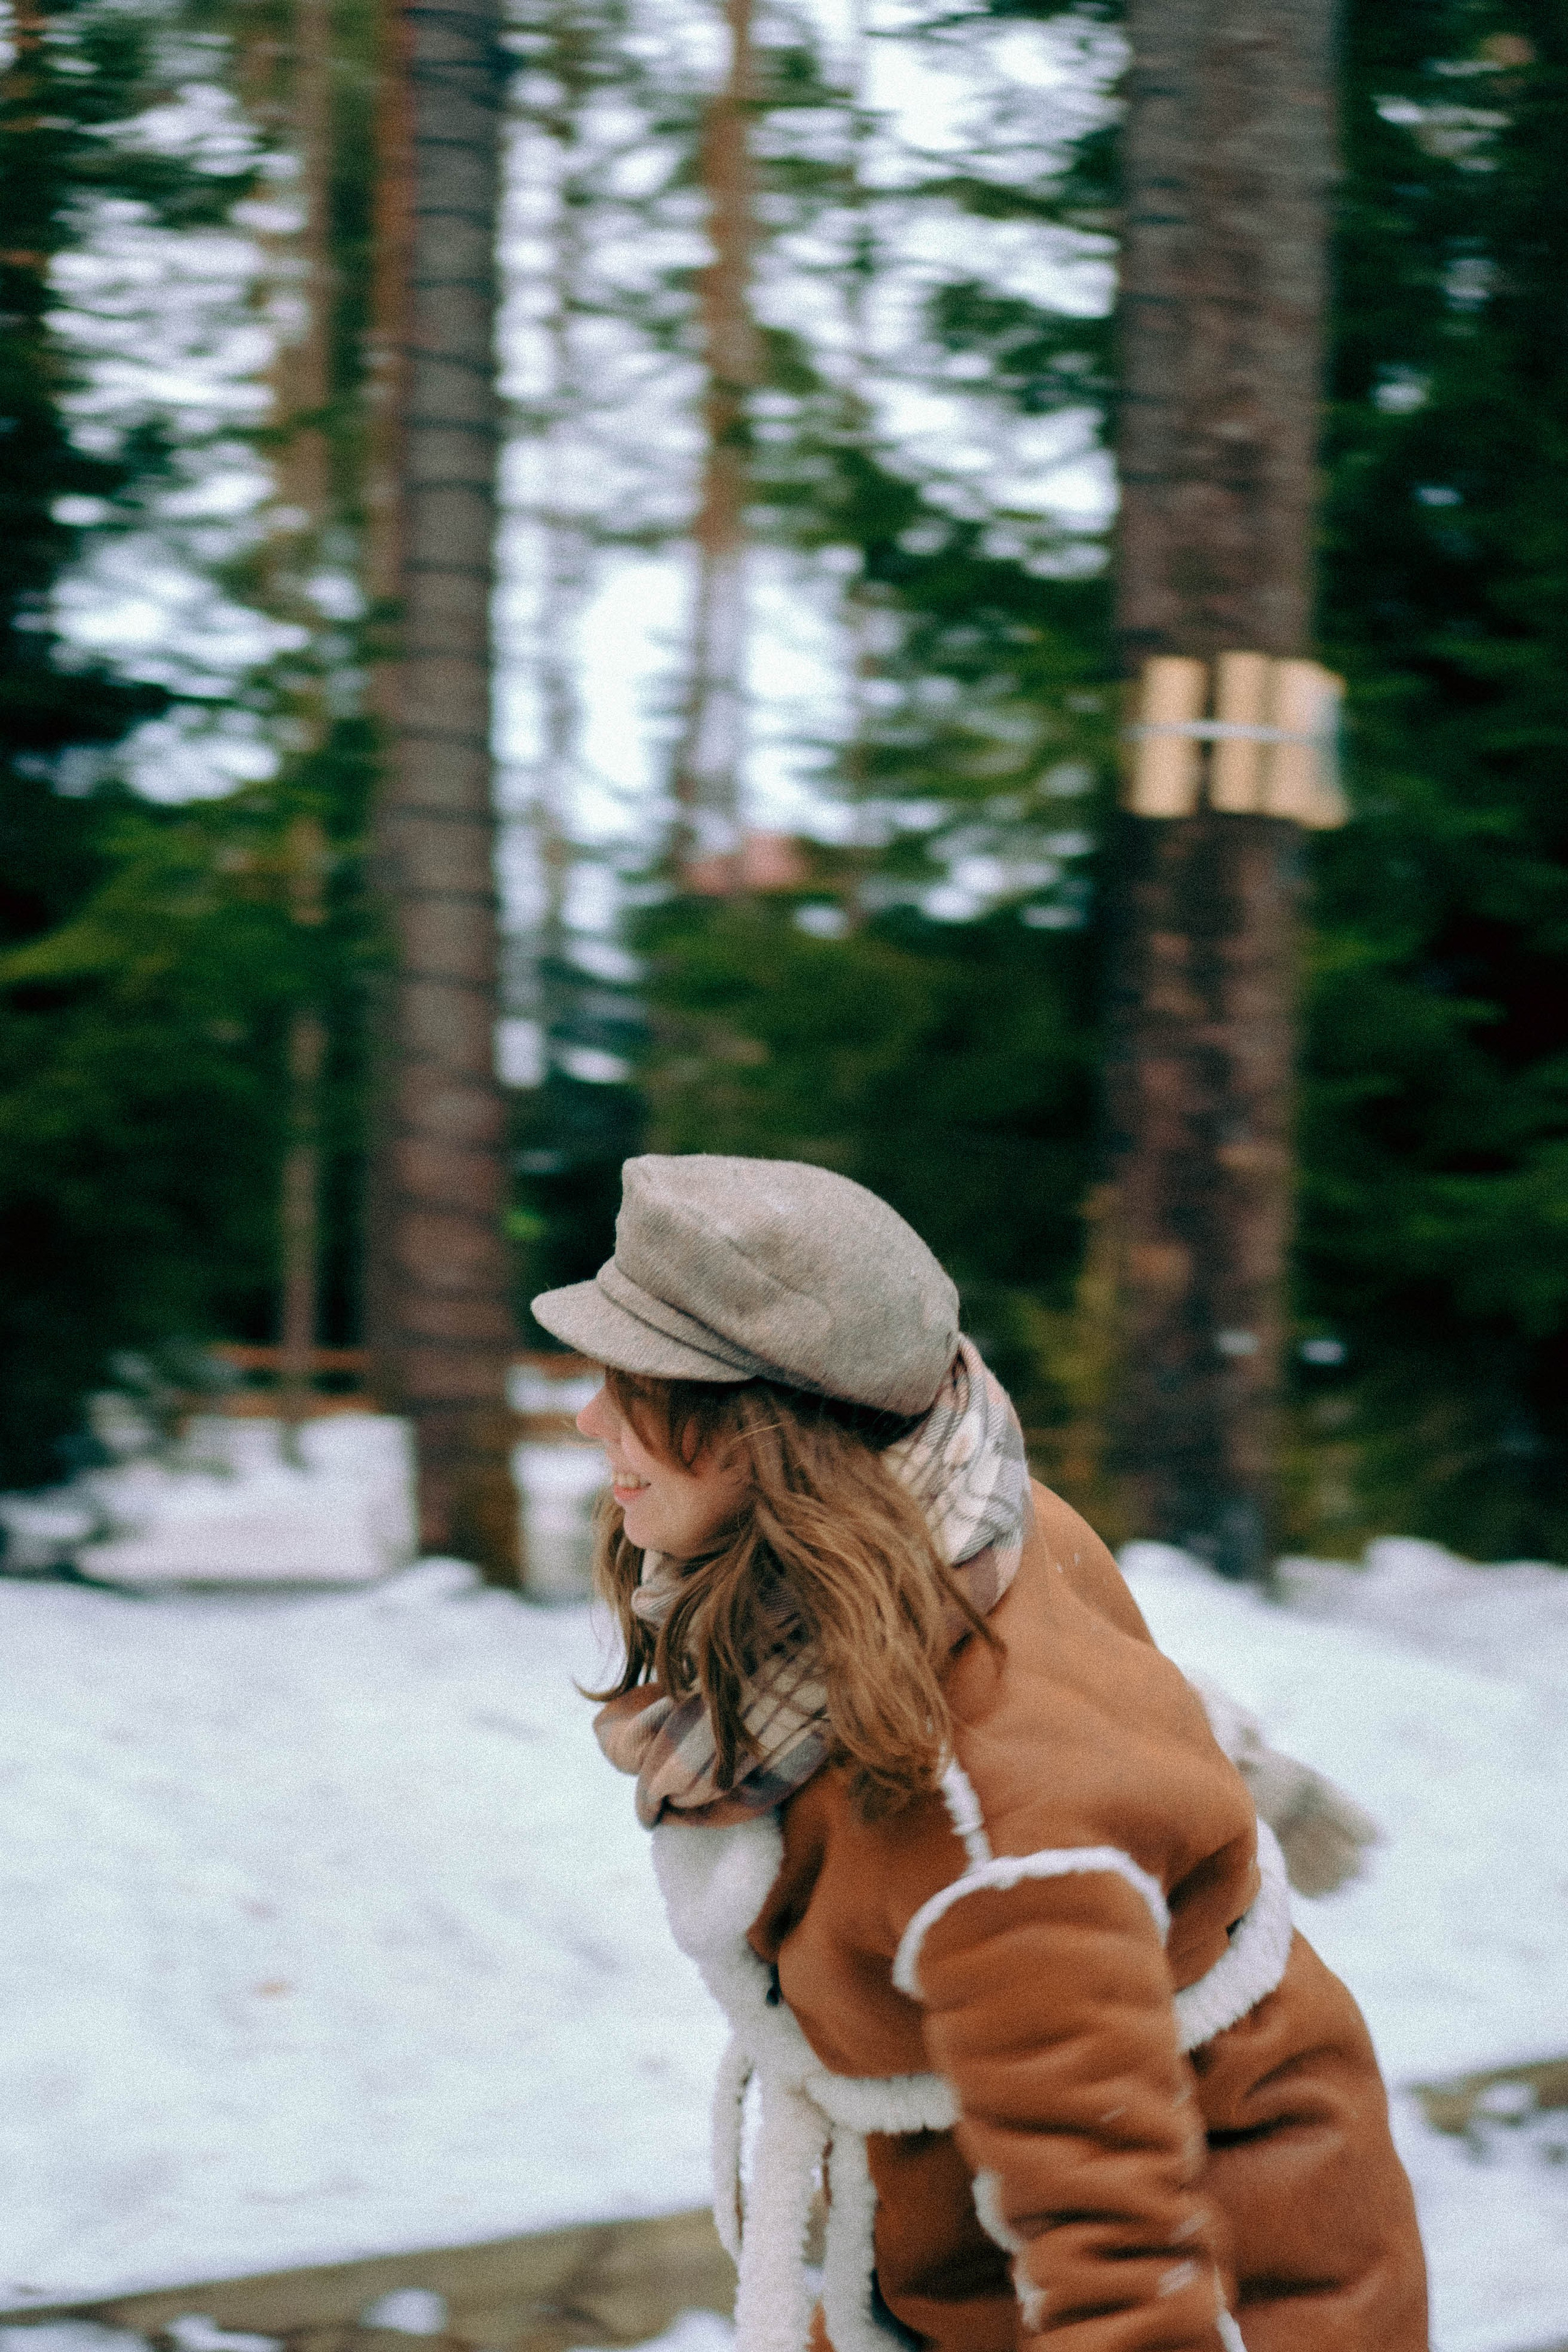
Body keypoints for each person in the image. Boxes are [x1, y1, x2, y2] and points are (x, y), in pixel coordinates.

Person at [533, 1155, 1428, 2352]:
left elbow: (1118, 2273)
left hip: (1219, 2273)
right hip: (951, 2230)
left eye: (635, 1385)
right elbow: (1099, 1693)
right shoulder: (958, 1519)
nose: (587, 1418)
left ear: (769, 1431)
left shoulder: (978, 1826)